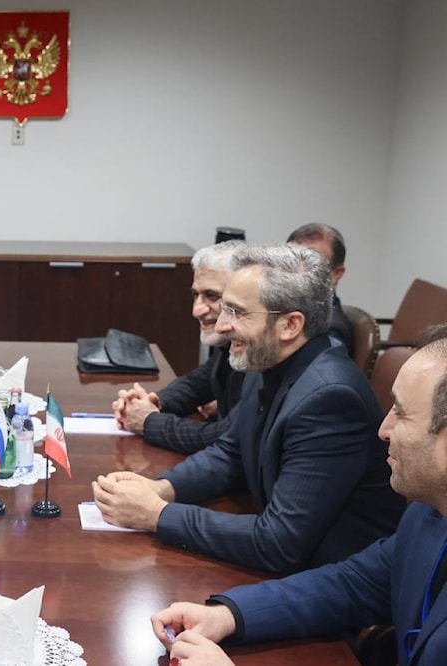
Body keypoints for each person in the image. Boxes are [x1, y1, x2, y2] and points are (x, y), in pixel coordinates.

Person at [92, 244, 404, 573]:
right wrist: (161, 488)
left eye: (237, 312)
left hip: (331, 585)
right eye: (224, 309)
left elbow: (279, 543)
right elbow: (231, 453)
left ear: (290, 325)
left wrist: (156, 514)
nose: (223, 326)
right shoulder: (267, 362)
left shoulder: (331, 400)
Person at [150, 328, 447, 666]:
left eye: (402, 413)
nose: (383, 429)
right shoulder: (428, 513)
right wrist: (229, 615)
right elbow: (354, 585)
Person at [113, 240, 246, 454]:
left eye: (211, 296)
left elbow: (225, 438)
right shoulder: (230, 343)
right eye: (196, 295)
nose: (197, 310)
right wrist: (154, 401)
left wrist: (148, 421)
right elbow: (198, 383)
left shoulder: (261, 352)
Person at [287, 222, 353, 356]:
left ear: (336, 274)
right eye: (291, 261)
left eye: (311, 265)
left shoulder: (331, 331)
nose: (297, 272)